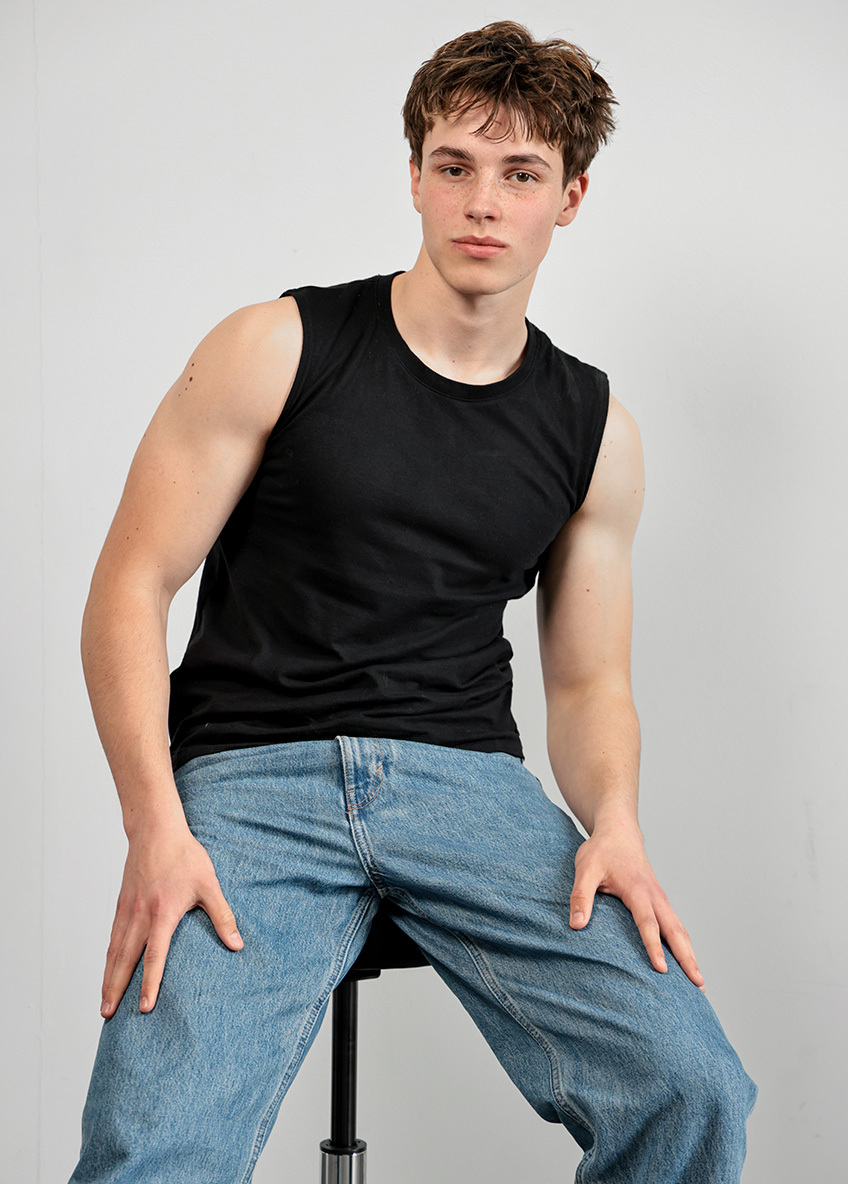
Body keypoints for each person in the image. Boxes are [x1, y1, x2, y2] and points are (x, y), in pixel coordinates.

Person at [68, 20, 757, 1184]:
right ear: (414, 176)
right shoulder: (275, 344)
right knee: (157, 1148)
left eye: (520, 173)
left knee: (689, 1087)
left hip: (466, 786)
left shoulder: (592, 429)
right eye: (455, 165)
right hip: (254, 775)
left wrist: (616, 822)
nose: (482, 202)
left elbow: (588, 680)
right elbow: (130, 585)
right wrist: (154, 826)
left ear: (569, 196)